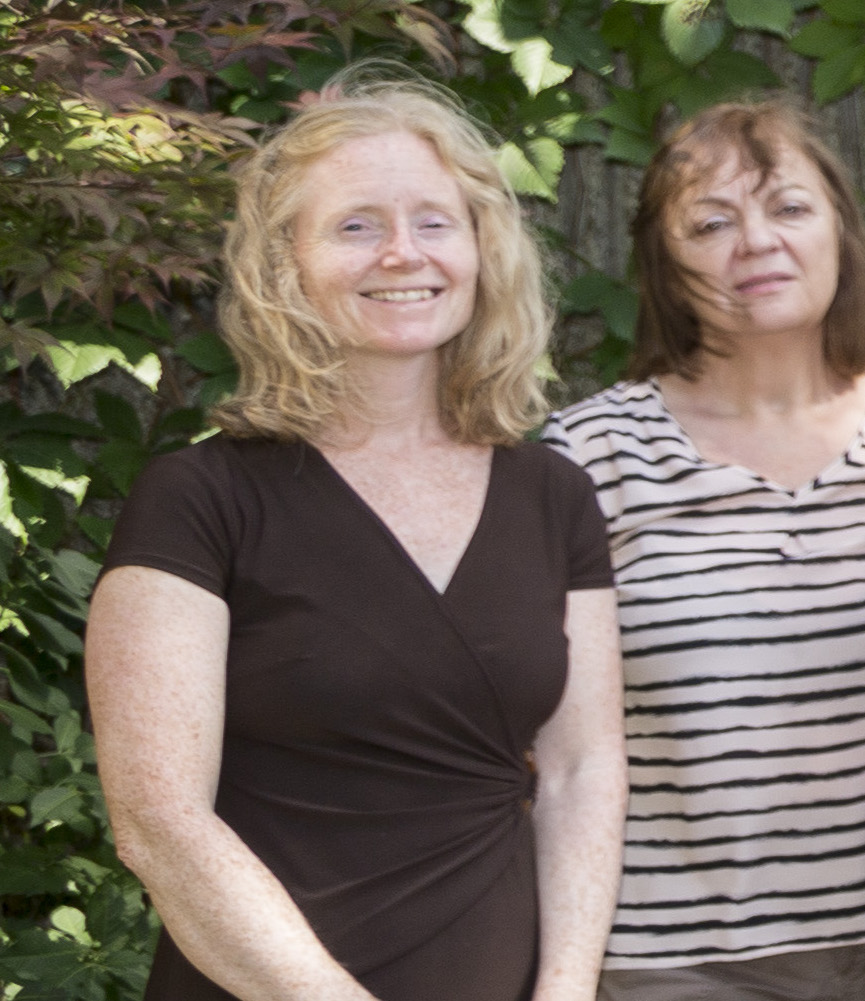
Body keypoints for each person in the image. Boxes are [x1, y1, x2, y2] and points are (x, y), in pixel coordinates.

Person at [93, 76, 622, 1001]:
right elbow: (159, 822)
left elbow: (583, 769)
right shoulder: (198, 499)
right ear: (283, 263)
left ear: (481, 249)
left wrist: (568, 990)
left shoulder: (553, 494)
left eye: (433, 221)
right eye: (355, 226)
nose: (402, 253)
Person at [537, 95, 865, 999]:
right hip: (674, 962)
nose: (756, 242)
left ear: (841, 229)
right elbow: (541, 747)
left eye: (788, 208)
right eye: (711, 222)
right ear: (663, 263)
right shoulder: (587, 458)